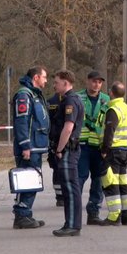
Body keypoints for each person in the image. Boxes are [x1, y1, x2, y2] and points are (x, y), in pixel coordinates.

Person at [11, 66, 49, 229]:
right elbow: (22, 122)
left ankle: (25, 213)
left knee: (32, 181)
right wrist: (25, 145)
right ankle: (22, 215)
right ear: (36, 77)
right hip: (30, 147)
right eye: (44, 77)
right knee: (28, 181)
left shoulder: (34, 95)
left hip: (36, 145)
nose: (46, 81)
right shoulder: (24, 96)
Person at [50, 70, 85, 237]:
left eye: (56, 82)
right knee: (69, 187)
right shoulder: (69, 99)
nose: (54, 85)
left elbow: (68, 127)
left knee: (70, 189)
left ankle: (72, 225)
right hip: (69, 150)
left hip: (67, 151)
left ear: (66, 83)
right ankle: (70, 223)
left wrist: (59, 149)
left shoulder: (70, 101)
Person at [97, 82, 127, 226]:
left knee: (110, 183)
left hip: (113, 151)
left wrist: (104, 150)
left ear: (111, 93)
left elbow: (109, 132)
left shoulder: (113, 110)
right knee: (123, 183)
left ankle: (114, 216)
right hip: (124, 151)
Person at [77, 71, 110, 225]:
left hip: (98, 147)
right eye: (94, 81)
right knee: (79, 179)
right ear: (87, 81)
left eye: (99, 82)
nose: (96, 85)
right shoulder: (78, 97)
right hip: (82, 146)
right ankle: (75, 212)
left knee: (98, 180)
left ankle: (94, 212)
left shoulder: (106, 100)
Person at [47, 92, 65, 206]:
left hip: (65, 139)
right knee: (57, 169)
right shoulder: (50, 102)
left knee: (61, 169)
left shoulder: (72, 99)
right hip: (54, 140)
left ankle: (63, 196)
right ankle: (59, 196)